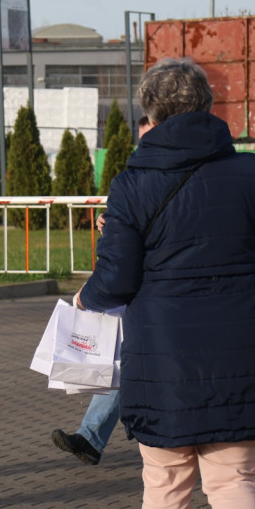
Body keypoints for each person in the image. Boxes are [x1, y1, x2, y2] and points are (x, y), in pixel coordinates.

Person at [75, 59, 255, 509]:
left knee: (167, 487)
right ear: (205, 107)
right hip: (239, 354)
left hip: (164, 360)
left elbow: (117, 280)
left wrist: (85, 297)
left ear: (151, 113)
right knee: (235, 481)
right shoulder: (250, 172)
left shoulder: (132, 185)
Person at [52, 116, 152, 467]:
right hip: (145, 296)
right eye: (142, 141)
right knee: (126, 363)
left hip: (172, 298)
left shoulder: (165, 179)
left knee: (138, 366)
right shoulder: (136, 181)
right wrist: (112, 227)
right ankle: (91, 437)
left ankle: (96, 437)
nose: (145, 148)